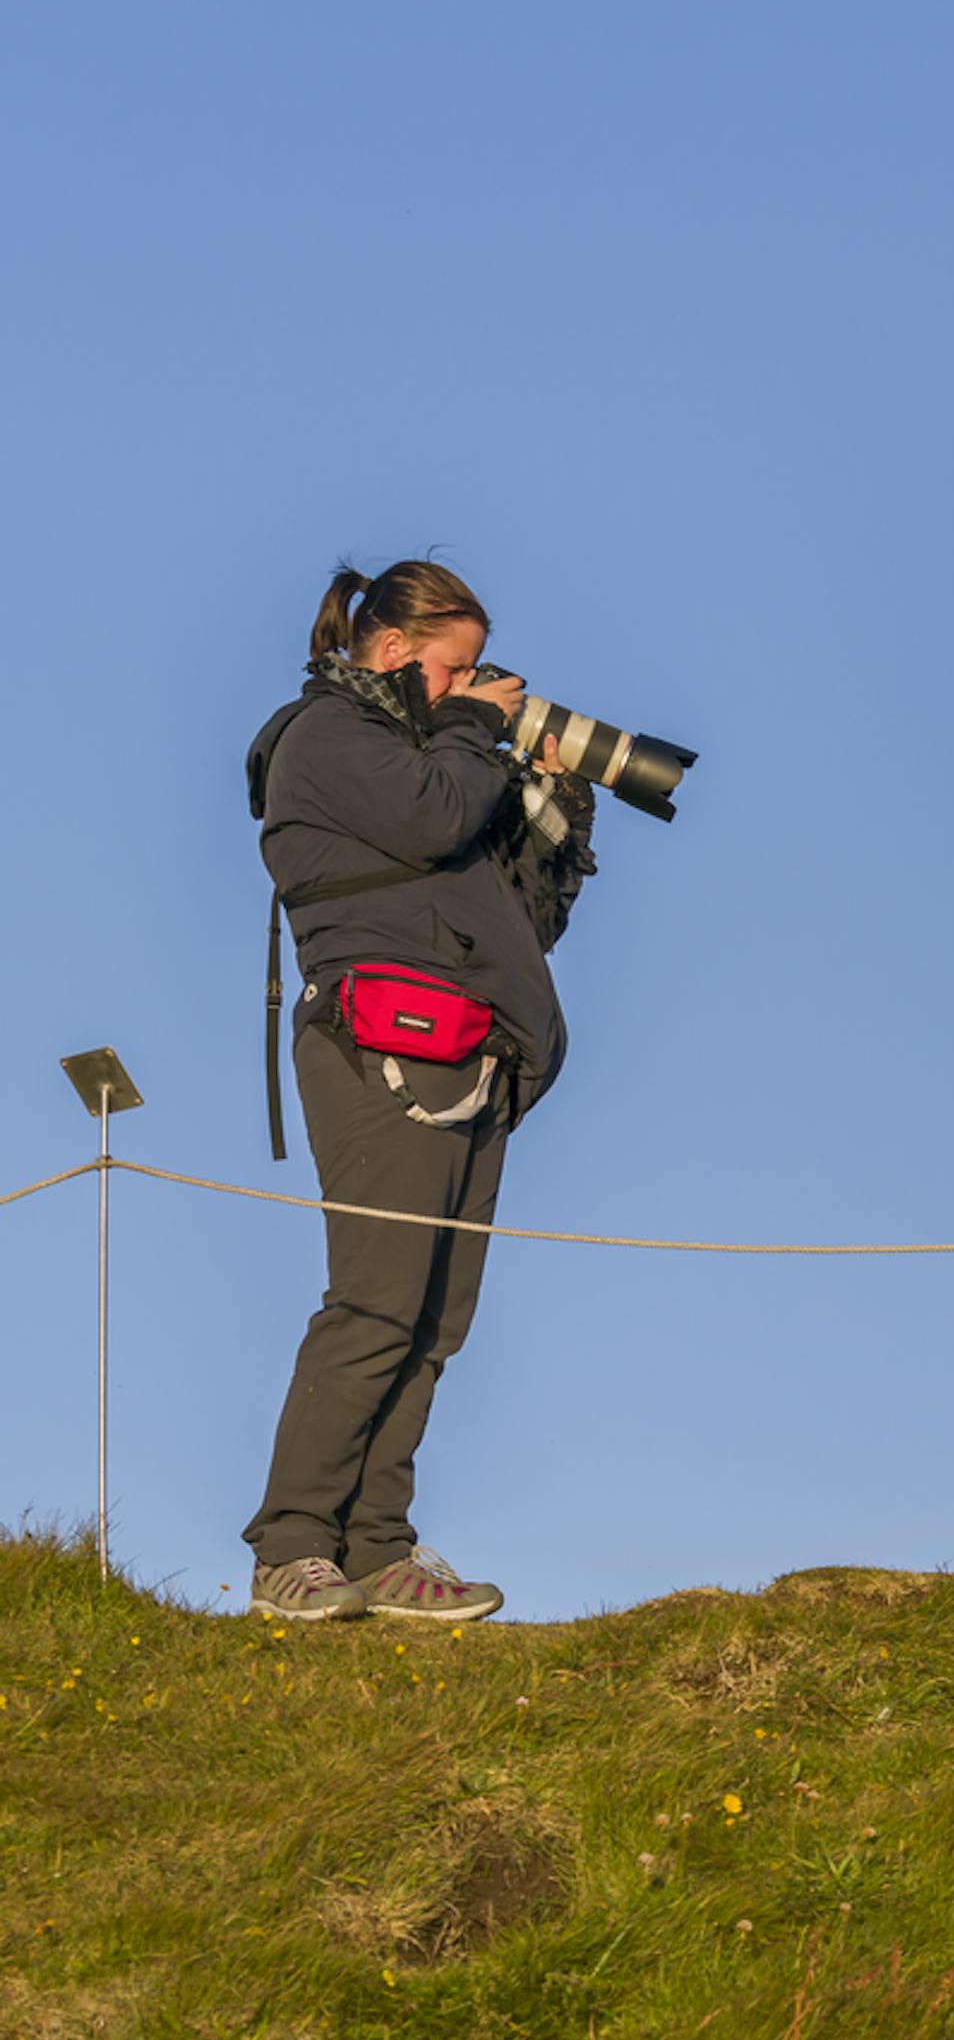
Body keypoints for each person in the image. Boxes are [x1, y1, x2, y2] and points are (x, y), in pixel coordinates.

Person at [243, 562, 594, 1624]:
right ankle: (295, 1544)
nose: (474, 688)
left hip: (474, 1048)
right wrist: (476, 737)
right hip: (379, 1044)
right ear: (393, 650)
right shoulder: (325, 736)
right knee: (375, 1302)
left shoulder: (430, 749)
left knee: (437, 1318)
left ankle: (379, 1546)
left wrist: (552, 816)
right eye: (459, 668)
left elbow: (513, 914)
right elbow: (438, 813)